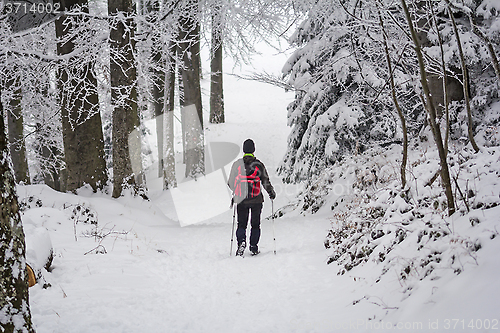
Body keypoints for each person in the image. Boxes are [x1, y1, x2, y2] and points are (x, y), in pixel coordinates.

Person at [228, 139, 276, 256]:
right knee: (255, 225)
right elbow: (265, 181)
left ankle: (241, 243)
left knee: (241, 224)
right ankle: (254, 247)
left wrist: (236, 191)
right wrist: (271, 193)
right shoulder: (259, 165)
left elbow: (230, 182)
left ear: (244, 150)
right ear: (253, 150)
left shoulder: (237, 164)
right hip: (256, 200)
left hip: (241, 200)